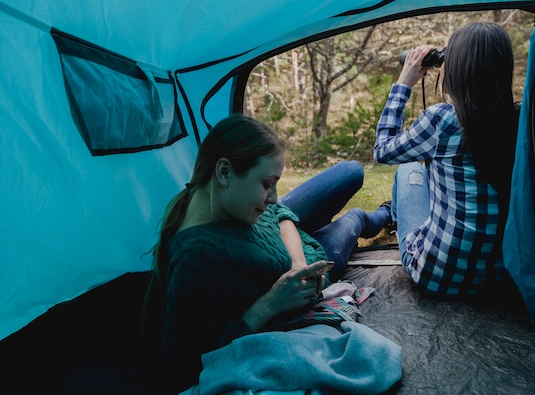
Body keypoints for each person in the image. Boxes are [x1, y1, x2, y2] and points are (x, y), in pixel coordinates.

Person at [143, 114, 392, 394]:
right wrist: (269, 304)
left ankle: (369, 216)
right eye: (266, 183)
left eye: (274, 183)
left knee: (351, 171)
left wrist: (296, 261)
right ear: (224, 172)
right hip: (319, 256)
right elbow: (183, 367)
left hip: (287, 239)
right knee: (353, 221)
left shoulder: (218, 199)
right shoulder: (198, 258)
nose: (273, 194)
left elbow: (278, 210)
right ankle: (386, 213)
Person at [373, 22, 519, 296]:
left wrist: (403, 83)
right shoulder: (522, 119)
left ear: (455, 70)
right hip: (499, 277)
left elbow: (383, 151)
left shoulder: (442, 120)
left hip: (438, 274)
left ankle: (388, 218)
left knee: (407, 169)